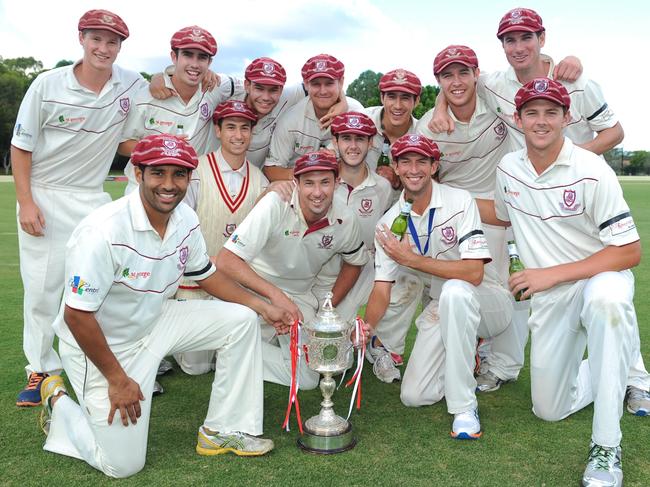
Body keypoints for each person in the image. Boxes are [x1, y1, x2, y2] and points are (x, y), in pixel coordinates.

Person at [38, 134, 289, 478]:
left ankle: (223, 430)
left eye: (179, 175)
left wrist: (261, 306)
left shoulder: (184, 218)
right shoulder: (103, 231)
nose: (169, 185)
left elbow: (206, 274)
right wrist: (117, 379)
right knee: (122, 466)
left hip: (155, 320)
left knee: (241, 319)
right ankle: (59, 402)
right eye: (158, 173)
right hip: (102, 345)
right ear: (138, 174)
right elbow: (77, 316)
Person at [493, 78, 647, 487]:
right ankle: (615, 362)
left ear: (567, 117)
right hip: (551, 298)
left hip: (601, 278)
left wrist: (547, 274)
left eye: (551, 113)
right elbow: (501, 215)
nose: (541, 121)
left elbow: (629, 251)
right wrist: (429, 193)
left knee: (608, 305)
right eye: (532, 113)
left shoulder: (592, 169)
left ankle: (606, 447)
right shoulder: (508, 168)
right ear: (517, 118)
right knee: (548, 407)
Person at [11, 9, 147, 406]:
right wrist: (26, 202)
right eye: (97, 39)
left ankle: (104, 365)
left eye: (112, 42)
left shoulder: (131, 85)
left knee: (101, 285)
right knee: (43, 289)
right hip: (47, 193)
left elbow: (126, 141)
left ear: (121, 47)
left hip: (93, 196)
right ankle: (41, 369)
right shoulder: (47, 84)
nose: (104, 48)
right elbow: (21, 147)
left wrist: (160, 152)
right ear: (82, 39)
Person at [364, 133, 514, 439]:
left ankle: (464, 407)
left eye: (422, 161)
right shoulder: (387, 224)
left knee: (455, 291)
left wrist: (413, 260)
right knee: (414, 396)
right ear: (394, 165)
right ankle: (463, 349)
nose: (413, 168)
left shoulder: (459, 200)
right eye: (405, 161)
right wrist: (366, 326)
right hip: (444, 305)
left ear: (434, 166)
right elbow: (382, 287)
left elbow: (473, 273)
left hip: (489, 301)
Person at [417, 45, 523, 392]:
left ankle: (502, 365)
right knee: (452, 289)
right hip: (456, 212)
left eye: (464, 72)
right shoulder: (428, 127)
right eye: (448, 75)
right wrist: (439, 106)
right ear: (438, 80)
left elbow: (534, 80)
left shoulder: (494, 101)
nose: (457, 81)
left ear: (477, 74)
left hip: (503, 205)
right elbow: (419, 177)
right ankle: (464, 352)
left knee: (511, 285)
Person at [217, 150, 370, 389]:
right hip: (254, 289)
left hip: (300, 298)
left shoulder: (345, 219)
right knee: (199, 362)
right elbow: (226, 260)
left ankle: (236, 349)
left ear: (337, 182)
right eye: (308, 183)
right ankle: (232, 345)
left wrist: (326, 309)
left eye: (325, 182)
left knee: (311, 377)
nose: (317, 193)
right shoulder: (275, 204)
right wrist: (274, 297)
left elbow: (355, 262)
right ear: (295, 183)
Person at [173, 100, 278, 374]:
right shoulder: (194, 171)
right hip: (194, 279)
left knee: (229, 358)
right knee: (196, 367)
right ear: (217, 130)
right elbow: (178, 228)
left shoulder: (260, 180)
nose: (239, 135)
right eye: (230, 127)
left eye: (245, 128)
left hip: (236, 285)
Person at [121, 25, 244, 194]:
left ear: (209, 62)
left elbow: (255, 88)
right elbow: (122, 144)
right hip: (143, 190)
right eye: (187, 55)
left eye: (202, 57)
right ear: (174, 56)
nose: (194, 64)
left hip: (192, 190)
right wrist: (160, 147)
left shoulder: (216, 86)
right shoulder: (145, 97)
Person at [311, 112, 392, 322]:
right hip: (318, 276)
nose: (353, 146)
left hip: (362, 273)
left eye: (360, 139)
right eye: (346, 138)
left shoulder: (382, 187)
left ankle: (380, 346)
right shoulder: (320, 185)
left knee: (405, 283)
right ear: (335, 142)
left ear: (371, 142)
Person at [263, 54, 363, 181]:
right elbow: (271, 169)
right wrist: (310, 170)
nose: (323, 91)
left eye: (329, 83)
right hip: (299, 186)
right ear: (306, 84)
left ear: (341, 82)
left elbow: (367, 162)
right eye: (316, 84)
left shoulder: (357, 113)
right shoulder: (291, 119)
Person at [365, 69, 421, 190]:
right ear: (382, 97)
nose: (397, 105)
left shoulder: (422, 134)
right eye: (391, 97)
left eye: (405, 98)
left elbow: (432, 182)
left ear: (416, 101)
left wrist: (400, 181)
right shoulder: (364, 120)